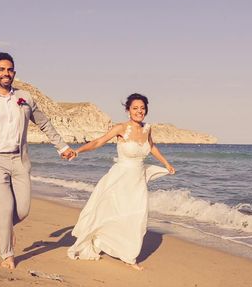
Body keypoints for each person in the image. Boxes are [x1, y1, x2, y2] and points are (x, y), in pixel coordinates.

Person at [0, 52, 76, 270]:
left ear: (14, 72)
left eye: (9, 69)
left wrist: (62, 147)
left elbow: (45, 123)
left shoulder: (25, 97)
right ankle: (7, 254)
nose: (5, 73)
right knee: (6, 207)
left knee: (23, 210)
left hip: (20, 159)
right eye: (1, 69)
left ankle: (6, 228)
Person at [67, 93, 175, 270]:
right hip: (119, 179)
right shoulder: (120, 128)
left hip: (137, 181)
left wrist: (166, 163)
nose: (139, 111)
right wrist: (78, 151)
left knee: (137, 215)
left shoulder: (148, 128)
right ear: (128, 110)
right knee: (107, 212)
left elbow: (152, 146)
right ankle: (99, 240)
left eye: (142, 108)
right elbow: (98, 141)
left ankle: (129, 255)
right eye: (135, 108)